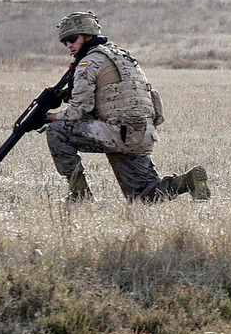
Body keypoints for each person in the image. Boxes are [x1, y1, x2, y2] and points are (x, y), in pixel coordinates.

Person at [45, 11, 209, 203]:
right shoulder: (120, 55)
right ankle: (187, 181)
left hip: (117, 132)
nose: (69, 45)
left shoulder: (89, 61)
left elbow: (78, 110)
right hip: (141, 133)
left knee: (56, 131)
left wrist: (51, 117)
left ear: (88, 36)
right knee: (142, 195)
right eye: (64, 42)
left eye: (72, 39)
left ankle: (80, 196)